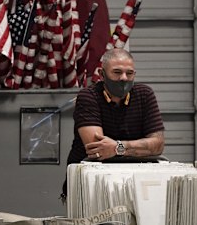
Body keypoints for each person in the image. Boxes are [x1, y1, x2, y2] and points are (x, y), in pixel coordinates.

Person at [61, 48, 165, 200]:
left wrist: (117, 148)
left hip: (134, 184)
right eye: (117, 72)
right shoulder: (88, 96)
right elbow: (96, 150)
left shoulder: (145, 95)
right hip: (90, 185)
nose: (124, 78)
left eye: (129, 73)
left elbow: (158, 145)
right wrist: (139, 148)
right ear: (102, 74)